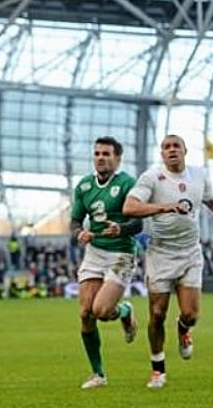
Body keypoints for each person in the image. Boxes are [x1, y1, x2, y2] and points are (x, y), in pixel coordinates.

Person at [122, 134, 213, 389]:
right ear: (162, 154)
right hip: (160, 254)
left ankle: (183, 329)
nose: (171, 150)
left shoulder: (199, 175)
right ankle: (158, 369)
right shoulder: (151, 177)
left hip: (190, 252)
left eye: (175, 146)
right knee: (157, 314)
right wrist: (164, 207)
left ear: (184, 151)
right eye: (166, 147)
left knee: (191, 314)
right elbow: (130, 206)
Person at [70, 136, 142, 389]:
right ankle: (98, 374)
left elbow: (138, 223)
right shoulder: (84, 186)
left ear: (117, 158)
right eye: (97, 153)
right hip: (95, 252)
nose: (101, 157)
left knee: (101, 311)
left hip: (121, 254)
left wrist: (121, 229)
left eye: (106, 154)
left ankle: (125, 311)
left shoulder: (127, 184)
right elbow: (75, 221)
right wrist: (80, 233)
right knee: (85, 314)